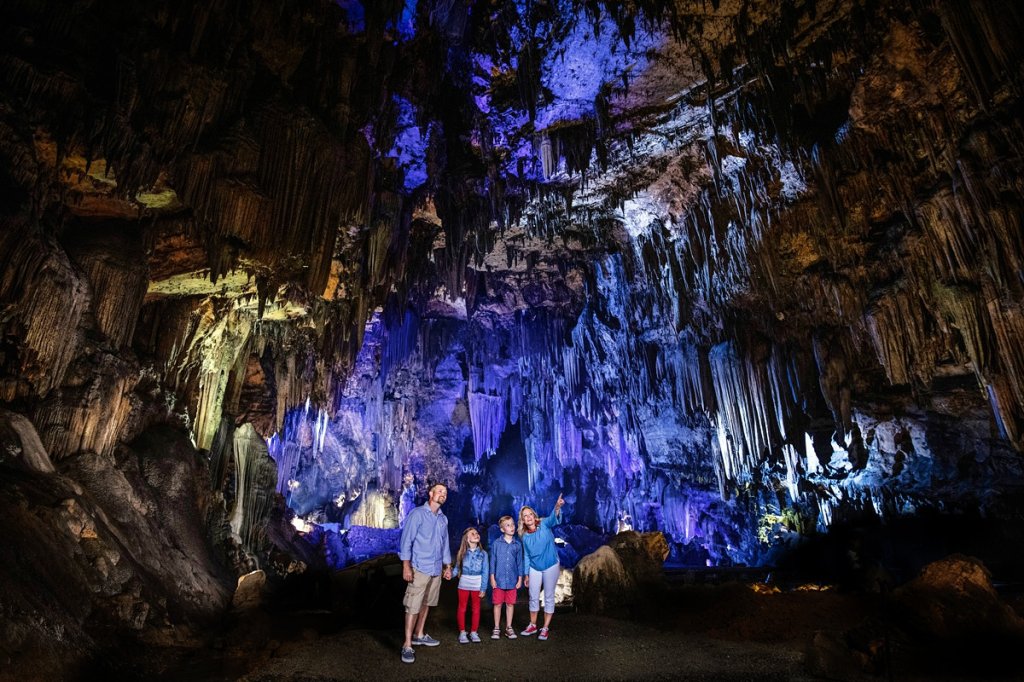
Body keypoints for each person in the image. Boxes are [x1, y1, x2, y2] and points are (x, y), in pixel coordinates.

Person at [398, 482, 452, 664]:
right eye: (439, 491)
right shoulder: (418, 514)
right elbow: (406, 541)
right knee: (413, 605)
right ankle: (407, 645)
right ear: (430, 493)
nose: (442, 494)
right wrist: (406, 566)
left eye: (445, 492)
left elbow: (445, 545)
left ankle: (419, 634)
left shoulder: (443, 519)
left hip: (436, 568)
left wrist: (448, 566)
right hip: (420, 567)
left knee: (427, 602)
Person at [519, 492, 565, 640]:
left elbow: (554, 518)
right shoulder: (525, 537)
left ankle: (545, 627)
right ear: (523, 521)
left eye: (530, 514)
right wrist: (526, 574)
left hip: (551, 565)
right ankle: (533, 625)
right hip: (534, 567)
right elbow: (526, 555)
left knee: (549, 596)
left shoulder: (544, 523)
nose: (528, 517)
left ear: (534, 515)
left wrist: (557, 507)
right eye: (525, 516)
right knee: (533, 596)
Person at [489, 514, 526, 639]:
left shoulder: (517, 545)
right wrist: (492, 577)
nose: (511, 527)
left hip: (512, 580)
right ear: (502, 529)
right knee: (498, 604)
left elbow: (519, 562)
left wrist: (520, 578)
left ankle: (509, 628)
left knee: (510, 604)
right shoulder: (496, 544)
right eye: (508, 525)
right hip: (498, 580)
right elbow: (492, 561)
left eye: (513, 524)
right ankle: (496, 627)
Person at [451, 527, 488, 643]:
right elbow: (457, 569)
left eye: (477, 533)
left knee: (476, 608)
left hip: (477, 584)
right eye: (472, 534)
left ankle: (473, 632)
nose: (476, 535)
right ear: (467, 539)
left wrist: (483, 588)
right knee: (462, 608)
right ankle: (462, 632)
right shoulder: (461, 553)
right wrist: (449, 575)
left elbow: (485, 571)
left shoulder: (483, 554)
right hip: (464, 584)